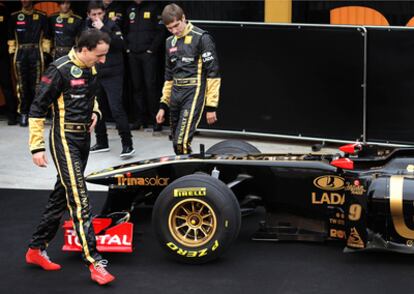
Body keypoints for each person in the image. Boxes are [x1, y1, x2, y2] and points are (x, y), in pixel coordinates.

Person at [26, 29, 115, 286]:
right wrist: (37, 146)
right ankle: (95, 262)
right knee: (79, 199)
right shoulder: (59, 69)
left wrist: (95, 113)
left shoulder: (91, 67)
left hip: (83, 140)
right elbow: (37, 108)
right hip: (63, 139)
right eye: (99, 55)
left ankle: (35, 249)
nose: (103, 60)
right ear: (85, 49)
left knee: (61, 197)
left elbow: (92, 96)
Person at [156, 3, 221, 154]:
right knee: (175, 141)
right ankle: (189, 173)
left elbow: (213, 73)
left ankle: (188, 176)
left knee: (181, 142)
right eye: (169, 28)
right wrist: (163, 105)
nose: (174, 31)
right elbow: (168, 76)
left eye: (176, 25)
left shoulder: (202, 38)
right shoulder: (168, 42)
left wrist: (211, 106)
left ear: (183, 18)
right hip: (175, 94)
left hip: (193, 91)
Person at [85, 1, 135, 158]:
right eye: (93, 14)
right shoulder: (86, 26)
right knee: (96, 108)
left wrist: (103, 29)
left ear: (104, 13)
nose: (97, 17)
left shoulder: (111, 24)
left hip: (113, 72)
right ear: (88, 15)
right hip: (95, 72)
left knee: (116, 108)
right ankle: (101, 142)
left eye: (99, 13)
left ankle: (127, 144)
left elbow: (121, 44)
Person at [7, 0, 50, 127]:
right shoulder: (14, 16)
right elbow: (10, 36)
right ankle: (23, 113)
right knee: (22, 85)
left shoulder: (42, 16)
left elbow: (47, 35)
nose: (25, 1)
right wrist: (12, 51)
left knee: (36, 85)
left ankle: (36, 113)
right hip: (20, 53)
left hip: (36, 52)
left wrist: (46, 52)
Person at [125, 0, 165, 133]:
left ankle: (156, 120)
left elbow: (161, 31)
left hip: (148, 54)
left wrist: (151, 50)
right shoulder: (130, 8)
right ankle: (139, 120)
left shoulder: (154, 6)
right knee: (136, 87)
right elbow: (124, 31)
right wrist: (128, 49)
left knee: (151, 86)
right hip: (133, 54)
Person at [0, 2, 17, 125]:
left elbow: (9, 31)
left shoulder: (3, 11)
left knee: (6, 85)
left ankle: (12, 115)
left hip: (2, 55)